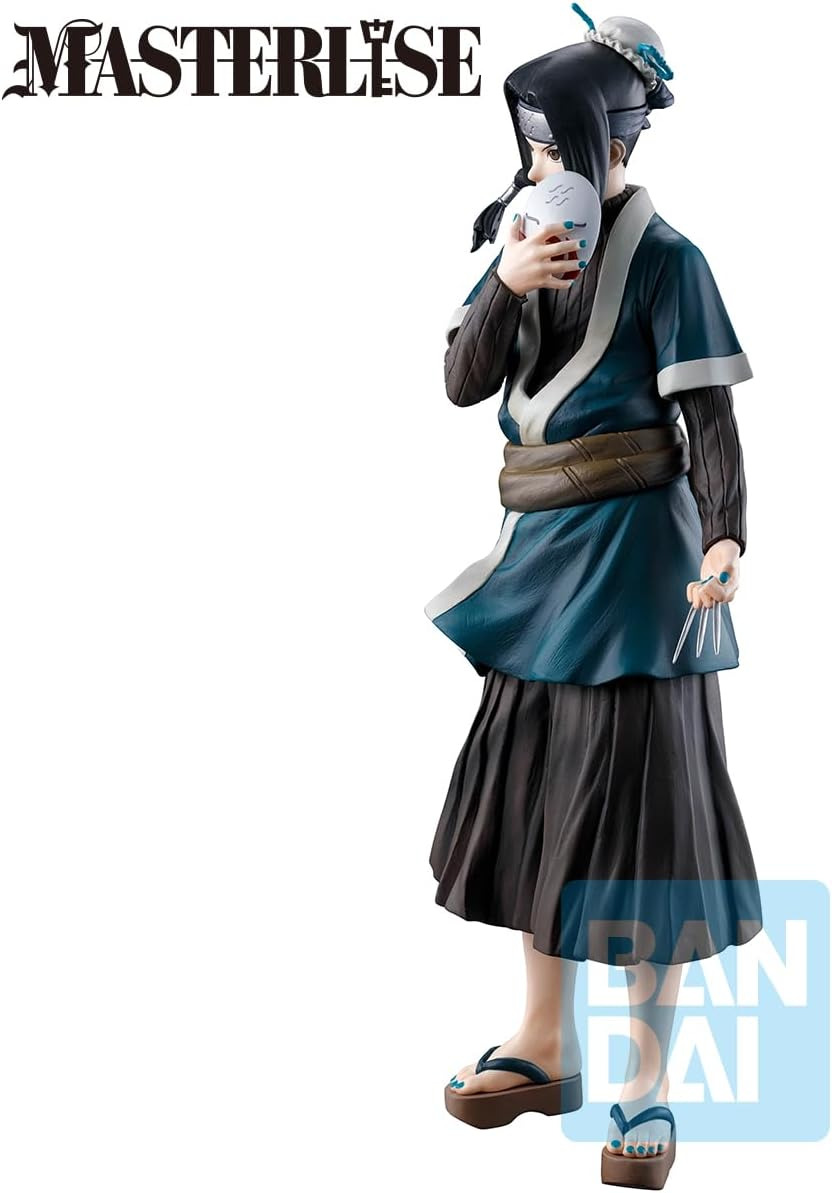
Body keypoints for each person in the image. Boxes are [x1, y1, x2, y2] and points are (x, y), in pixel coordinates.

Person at [424, 9, 762, 1188]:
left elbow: (709, 419)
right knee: (535, 800)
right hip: (537, 566)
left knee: (641, 827)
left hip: (635, 577)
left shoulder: (670, 261)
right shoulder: (521, 243)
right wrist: (504, 282)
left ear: (609, 147)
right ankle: (545, 1038)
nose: (538, 171)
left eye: (553, 149)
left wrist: (723, 535)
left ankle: (645, 1075)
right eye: (526, 150)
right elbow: (461, 382)